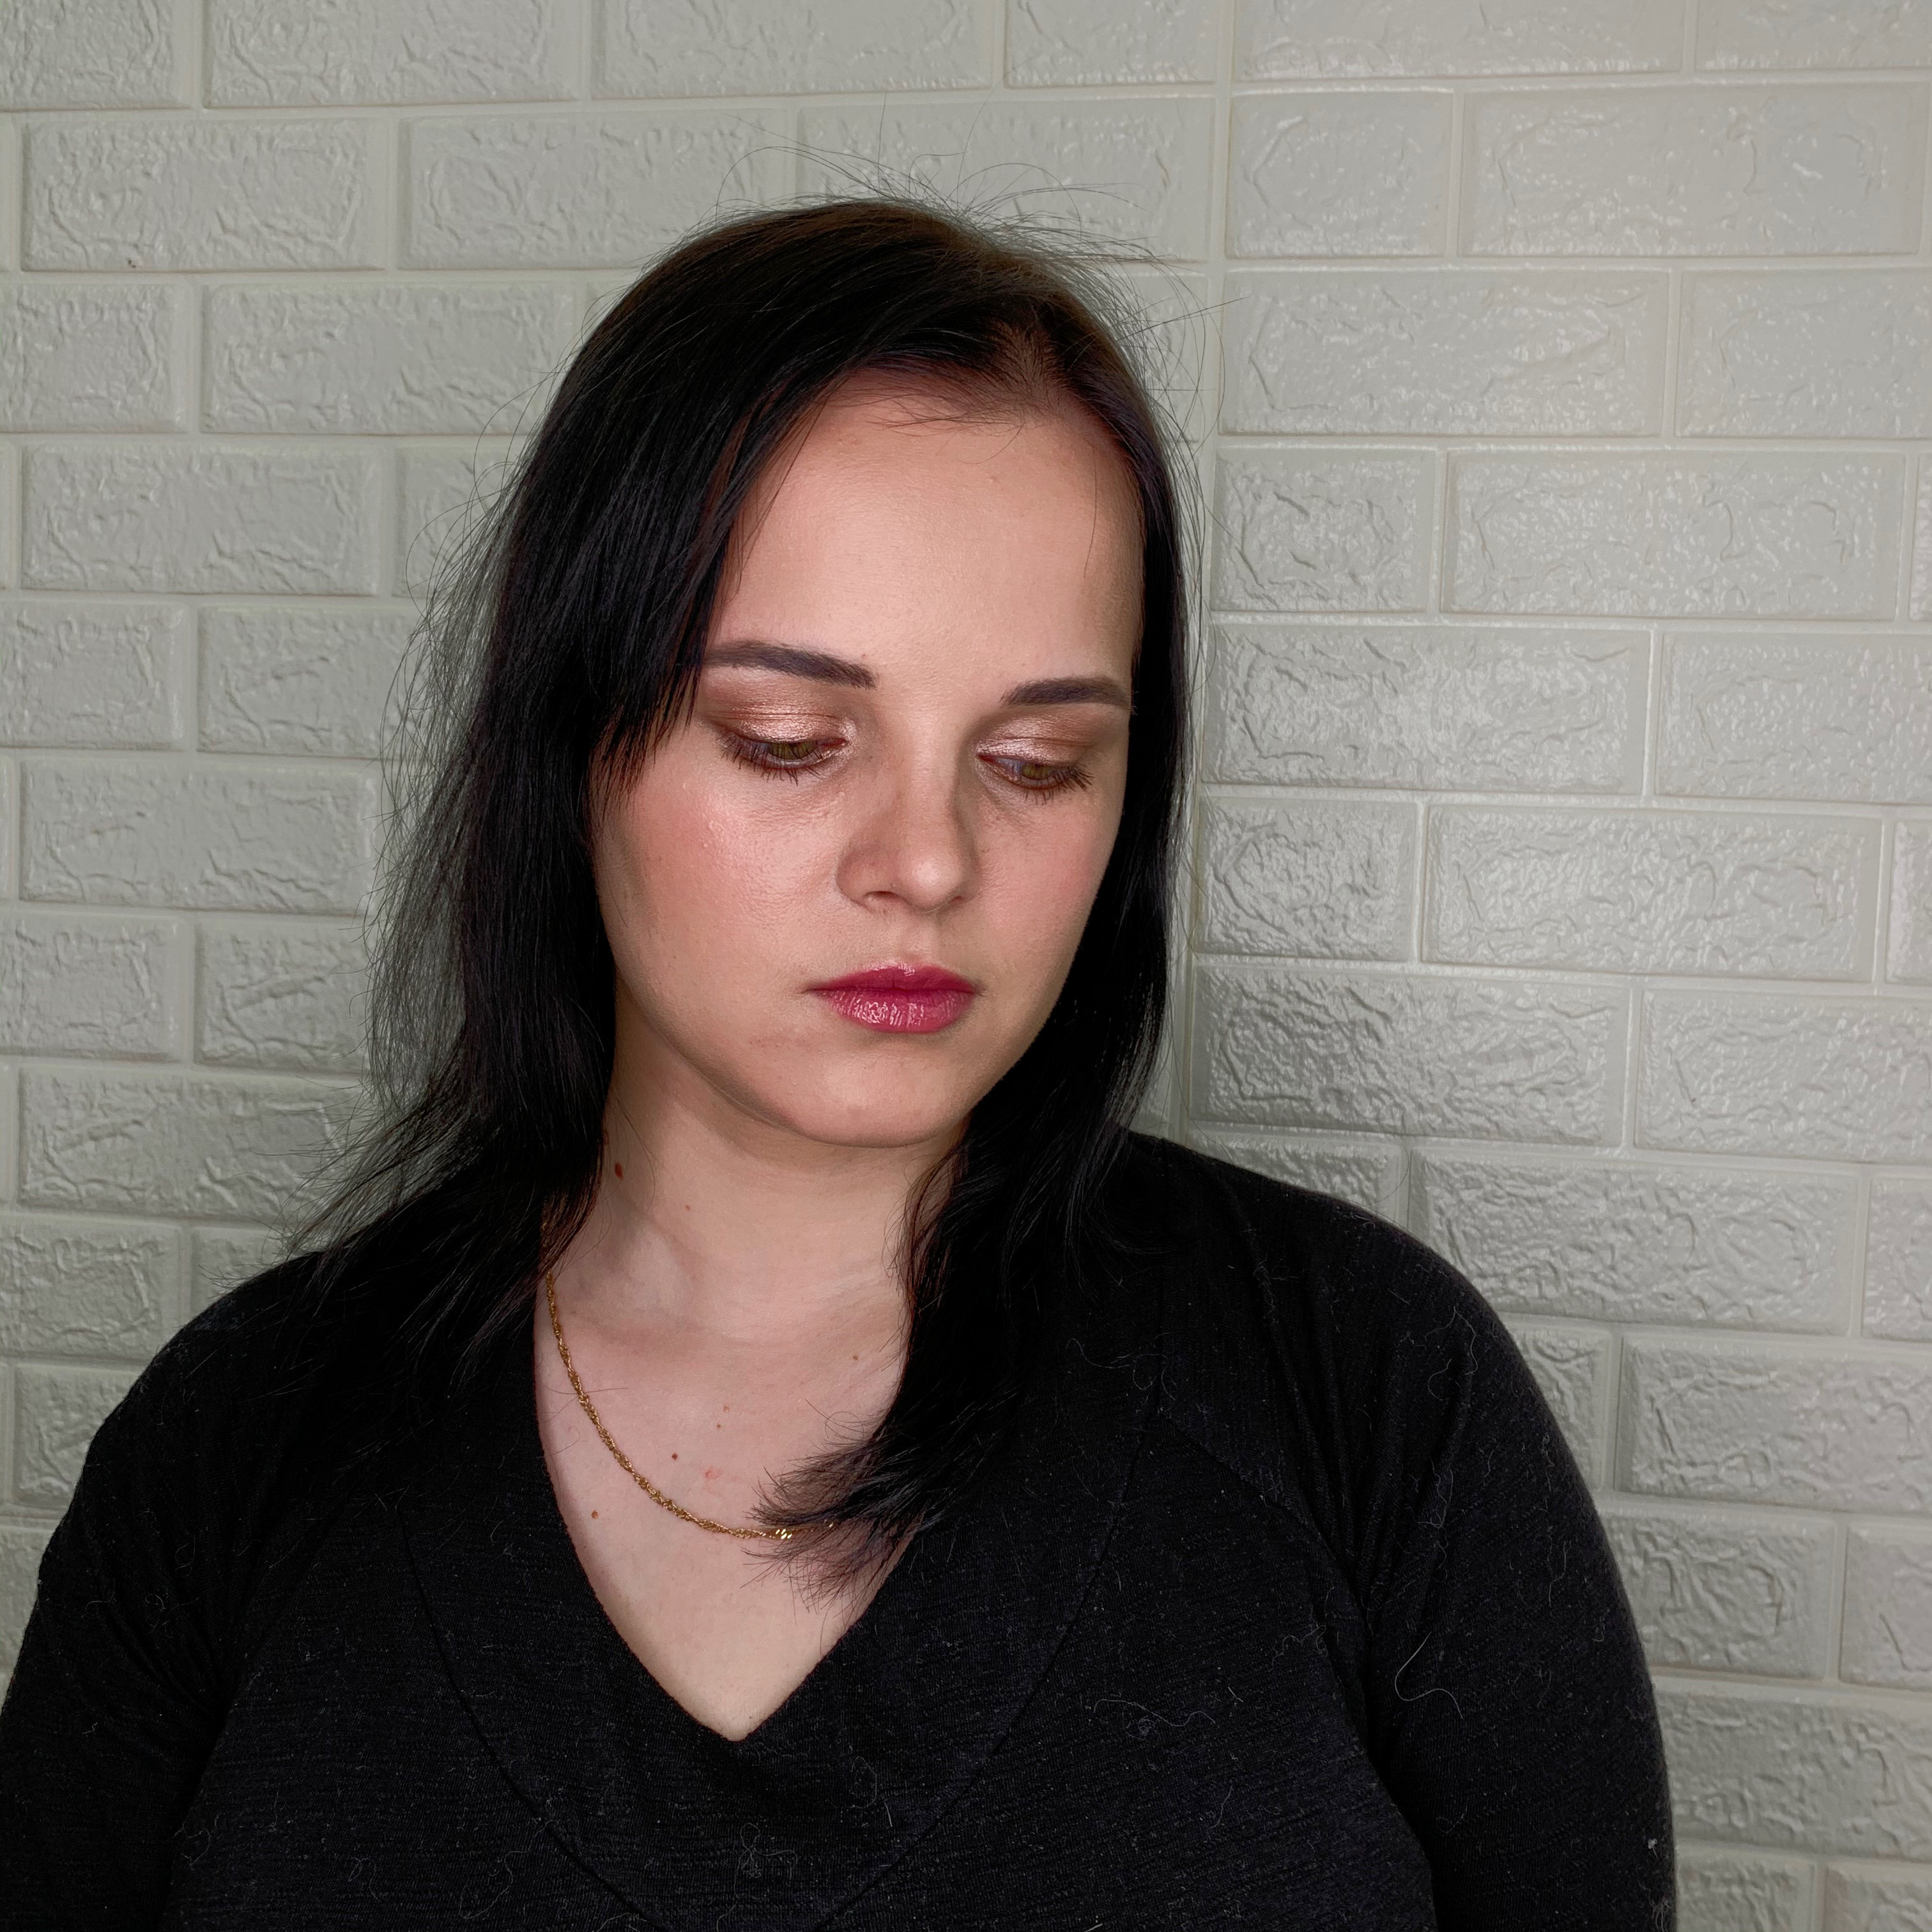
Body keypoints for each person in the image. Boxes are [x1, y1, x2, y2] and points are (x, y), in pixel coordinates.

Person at [0, 195, 1675, 1929]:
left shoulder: (1370, 1394)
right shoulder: (237, 1451)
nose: (927, 863)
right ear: (572, 745)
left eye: (1037, 761)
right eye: (789, 741)